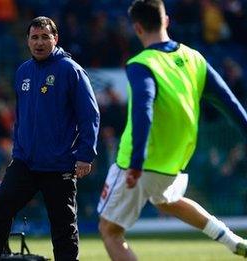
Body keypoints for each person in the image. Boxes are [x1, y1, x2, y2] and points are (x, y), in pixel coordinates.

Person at [97, 1, 247, 260]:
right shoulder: (194, 58)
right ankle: (232, 240)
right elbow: (230, 103)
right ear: (166, 20)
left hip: (139, 160)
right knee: (166, 199)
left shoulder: (141, 63)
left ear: (138, 28)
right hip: (175, 159)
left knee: (110, 231)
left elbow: (143, 110)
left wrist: (136, 162)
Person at [0, 16, 100, 261]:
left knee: (63, 227)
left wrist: (85, 155)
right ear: (28, 41)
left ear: (56, 39)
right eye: (35, 37)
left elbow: (90, 114)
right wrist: (18, 150)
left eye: (45, 37)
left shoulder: (70, 70)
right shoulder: (23, 71)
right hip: (25, 162)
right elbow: (20, 118)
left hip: (59, 164)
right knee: (0, 208)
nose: (40, 42)